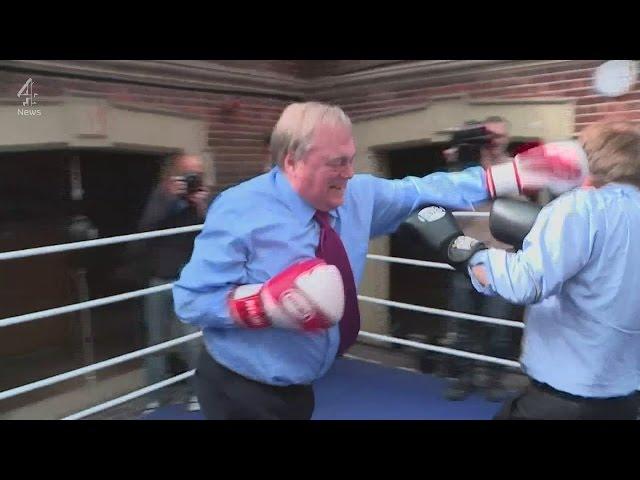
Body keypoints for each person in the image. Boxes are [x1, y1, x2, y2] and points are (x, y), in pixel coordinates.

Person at [172, 101, 584, 420]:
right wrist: (262, 306)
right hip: (240, 384)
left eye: (350, 158)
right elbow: (191, 300)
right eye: (337, 162)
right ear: (292, 162)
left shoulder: (358, 194)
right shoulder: (240, 208)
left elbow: (423, 190)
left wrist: (510, 174)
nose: (350, 172)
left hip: (300, 384)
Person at [413, 120, 640, 419]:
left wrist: (457, 247)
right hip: (624, 394)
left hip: (567, 393)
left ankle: (489, 376)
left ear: (590, 158)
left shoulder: (579, 208)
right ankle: (462, 375)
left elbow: (525, 282)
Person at [438, 116, 525, 402]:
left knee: (498, 325)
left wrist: (493, 168)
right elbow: (444, 199)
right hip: (465, 257)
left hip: (501, 259)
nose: (494, 141)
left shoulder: (515, 168)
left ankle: (493, 378)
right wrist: (455, 164)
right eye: (489, 136)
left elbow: (519, 206)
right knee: (462, 322)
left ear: (507, 138)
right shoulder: (465, 168)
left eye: (499, 136)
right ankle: (464, 377)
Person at [138, 153, 211, 412]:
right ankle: (155, 396)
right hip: (159, 276)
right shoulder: (161, 194)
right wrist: (169, 199)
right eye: (189, 173)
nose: (193, 179)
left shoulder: (201, 198)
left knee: (191, 340)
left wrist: (200, 207)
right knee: (156, 339)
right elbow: (146, 228)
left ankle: (197, 392)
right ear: (175, 173)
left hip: (188, 279)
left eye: (197, 174)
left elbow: (212, 235)